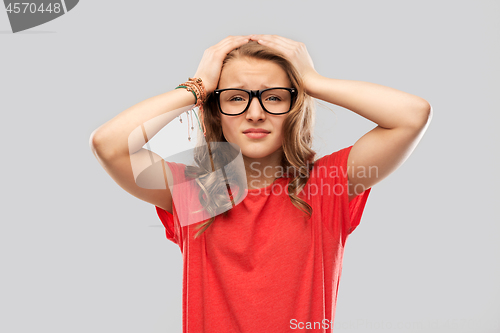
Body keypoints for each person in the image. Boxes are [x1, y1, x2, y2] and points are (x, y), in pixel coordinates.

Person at [90, 34, 432, 332]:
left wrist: (311, 81)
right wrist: (196, 87)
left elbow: (412, 115)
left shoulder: (324, 186)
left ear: (294, 108)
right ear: (215, 111)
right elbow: (109, 144)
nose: (255, 112)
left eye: (274, 96)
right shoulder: (195, 194)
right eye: (236, 98)